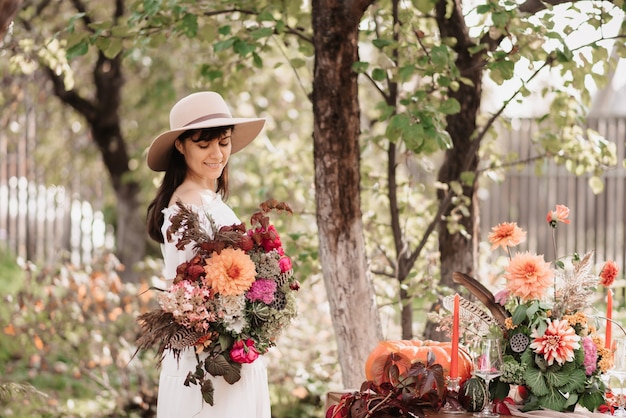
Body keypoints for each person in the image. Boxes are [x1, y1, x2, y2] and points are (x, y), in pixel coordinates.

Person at [145, 91, 271, 417]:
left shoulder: (207, 197)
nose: (217, 153)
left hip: (229, 349)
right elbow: (191, 293)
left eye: (224, 142)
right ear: (180, 145)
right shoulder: (187, 206)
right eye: (204, 145)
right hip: (208, 359)